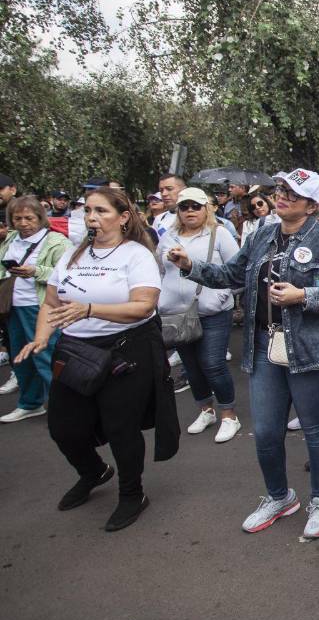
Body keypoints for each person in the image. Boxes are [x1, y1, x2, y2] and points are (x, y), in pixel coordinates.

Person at [166, 169, 319, 539]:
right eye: (281, 189)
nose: (282, 195)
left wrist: (304, 296)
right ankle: (279, 497)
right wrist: (189, 266)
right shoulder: (262, 235)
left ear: (311, 205)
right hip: (264, 348)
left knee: (316, 429)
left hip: (312, 349)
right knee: (267, 432)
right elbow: (229, 276)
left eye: (292, 193)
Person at [15, 187, 178, 531]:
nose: (92, 217)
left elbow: (143, 306)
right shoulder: (74, 255)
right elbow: (51, 302)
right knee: (62, 426)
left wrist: (90, 309)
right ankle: (93, 471)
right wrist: (42, 338)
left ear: (122, 218)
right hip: (76, 350)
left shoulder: (136, 255)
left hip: (126, 350)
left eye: (102, 211)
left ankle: (133, 494)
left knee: (121, 428)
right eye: (88, 210)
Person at [157, 188, 241, 443]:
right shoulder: (168, 237)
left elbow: (237, 271)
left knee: (213, 364)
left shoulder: (220, 234)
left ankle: (229, 415)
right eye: (184, 207)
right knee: (191, 367)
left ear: (207, 208)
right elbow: (159, 271)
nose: (190, 211)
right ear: (178, 211)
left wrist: (222, 296)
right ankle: (206, 410)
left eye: (196, 206)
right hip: (177, 313)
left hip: (212, 312)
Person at [0, 196, 72, 421]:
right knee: (20, 357)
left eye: (29, 218)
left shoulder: (56, 242)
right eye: (17, 218)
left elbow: (69, 275)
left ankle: (67, 407)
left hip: (40, 306)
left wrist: (36, 271)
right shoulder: (10, 239)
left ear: (40, 218)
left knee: (46, 357)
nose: (23, 223)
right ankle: (30, 403)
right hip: (13, 306)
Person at [153, 173, 188, 239]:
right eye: (161, 190)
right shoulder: (159, 219)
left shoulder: (194, 218)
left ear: (184, 190)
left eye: (169, 189)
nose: (164, 194)